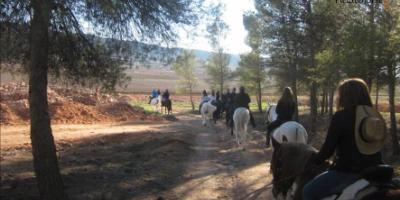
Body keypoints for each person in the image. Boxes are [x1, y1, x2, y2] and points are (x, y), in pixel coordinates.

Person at [303, 78, 387, 200]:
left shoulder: (341, 116)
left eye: (340, 94)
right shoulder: (375, 117)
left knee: (308, 192)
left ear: (347, 96)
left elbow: (328, 150)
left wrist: (313, 161)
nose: (338, 98)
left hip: (348, 172)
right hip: (377, 170)